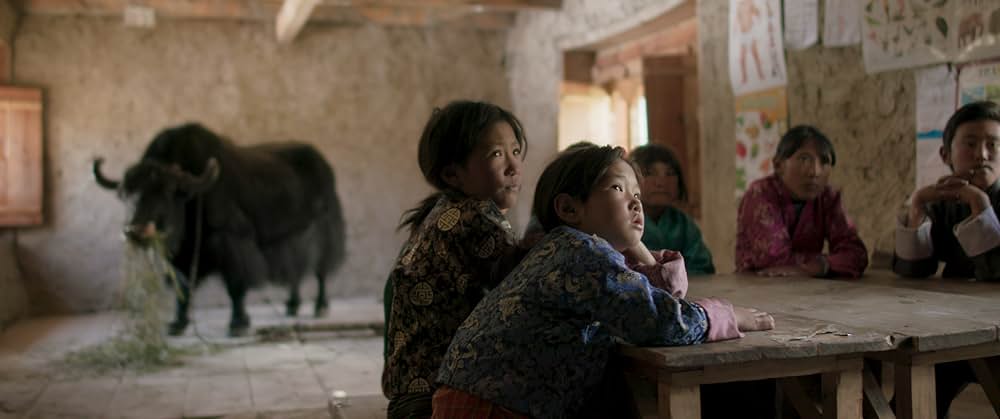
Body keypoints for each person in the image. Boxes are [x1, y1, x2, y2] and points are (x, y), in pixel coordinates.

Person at [432, 145, 774, 419]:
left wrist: (637, 245)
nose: (635, 201)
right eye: (617, 188)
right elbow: (660, 320)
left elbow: (650, 297)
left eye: (637, 193)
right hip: (493, 407)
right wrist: (725, 314)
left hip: (475, 399)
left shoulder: (567, 250)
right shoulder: (579, 252)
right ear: (569, 208)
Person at [382, 100, 529, 419]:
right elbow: (530, 289)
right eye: (496, 154)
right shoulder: (476, 217)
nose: (513, 167)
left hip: (411, 397)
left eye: (516, 151)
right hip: (438, 402)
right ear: (453, 174)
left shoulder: (442, 211)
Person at [893, 100, 1000, 418]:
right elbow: (914, 270)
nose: (982, 154)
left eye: (992, 144)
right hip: (955, 335)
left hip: (996, 340)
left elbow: (996, 271)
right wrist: (916, 207)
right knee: (911, 398)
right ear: (945, 155)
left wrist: (981, 206)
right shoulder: (944, 202)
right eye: (970, 144)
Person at [736, 125, 869, 278]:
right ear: (779, 165)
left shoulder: (827, 197)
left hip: (809, 293)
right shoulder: (760, 195)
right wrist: (828, 264)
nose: (815, 172)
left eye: (824, 161)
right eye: (804, 159)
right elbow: (774, 260)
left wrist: (817, 267)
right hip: (758, 289)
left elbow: (856, 254)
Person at [630, 143, 715, 275]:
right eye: (649, 173)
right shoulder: (623, 222)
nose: (661, 182)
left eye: (669, 173)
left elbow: (703, 268)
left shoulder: (683, 223)